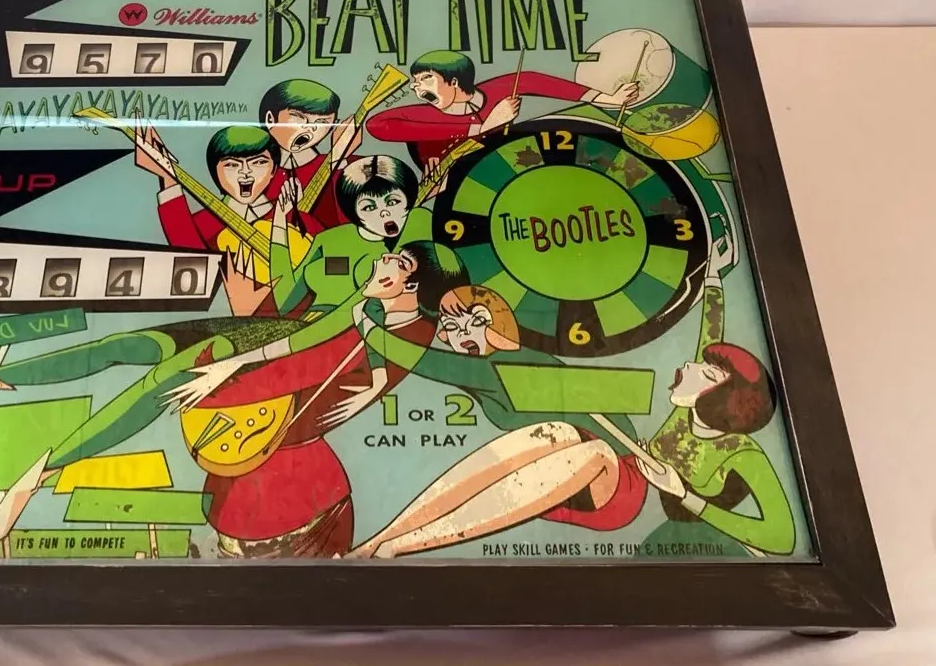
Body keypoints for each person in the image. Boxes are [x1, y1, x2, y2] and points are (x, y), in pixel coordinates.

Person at [0, 242, 468, 559]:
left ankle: (37, 474)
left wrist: (227, 370)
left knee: (165, 377)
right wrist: (239, 348)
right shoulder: (371, 302)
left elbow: (314, 364)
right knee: (134, 345)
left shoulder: (402, 334)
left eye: (399, 261)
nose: (385, 259)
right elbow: (309, 332)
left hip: (279, 381)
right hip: (268, 345)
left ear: (412, 283)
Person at [345, 284, 649, 558]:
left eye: (476, 321)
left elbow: (418, 359)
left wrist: (367, 324)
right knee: (557, 434)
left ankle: (401, 545)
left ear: (497, 324)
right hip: (546, 477)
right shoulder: (483, 366)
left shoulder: (499, 365)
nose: (463, 333)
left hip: (616, 481)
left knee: (581, 442)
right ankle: (376, 543)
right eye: (452, 327)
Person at [634, 230, 797, 556]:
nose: (689, 365)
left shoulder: (743, 454)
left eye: (706, 373)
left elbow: (783, 538)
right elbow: (711, 330)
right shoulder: (689, 410)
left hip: (706, 546)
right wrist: (713, 275)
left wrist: (684, 495)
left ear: (722, 401)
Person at [365, 49, 640, 168]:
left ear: (454, 80)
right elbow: (376, 125)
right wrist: (480, 128)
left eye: (425, 79)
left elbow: (533, 79)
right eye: (415, 82)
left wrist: (606, 98)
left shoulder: (494, 91)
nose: (416, 88)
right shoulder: (424, 114)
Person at [267, 155, 433, 320]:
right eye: (369, 207)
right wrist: (280, 217)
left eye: (392, 202)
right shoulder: (330, 240)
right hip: (308, 326)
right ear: (354, 212)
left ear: (408, 202)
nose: (384, 212)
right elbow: (284, 299)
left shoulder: (415, 232)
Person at [134, 123, 322, 253]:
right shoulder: (204, 222)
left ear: (274, 169)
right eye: (232, 165)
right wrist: (167, 178)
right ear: (215, 172)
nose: (245, 172)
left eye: (258, 162)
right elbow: (192, 254)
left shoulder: (294, 216)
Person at [258, 78, 361, 228]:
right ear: (270, 119)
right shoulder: (251, 168)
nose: (311, 128)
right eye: (299, 118)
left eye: (322, 122)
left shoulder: (339, 165)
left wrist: (338, 160)